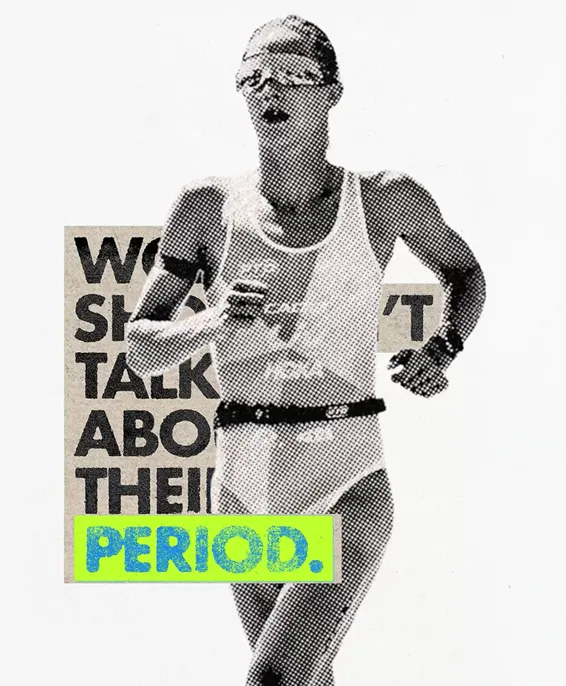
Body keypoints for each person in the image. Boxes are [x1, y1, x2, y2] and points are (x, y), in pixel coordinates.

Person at [126, 15, 486, 686]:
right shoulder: (205, 208)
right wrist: (212, 322)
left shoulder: (383, 199)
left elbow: (464, 272)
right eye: (254, 76)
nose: (271, 89)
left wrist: (444, 344)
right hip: (242, 479)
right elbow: (140, 349)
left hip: (344, 473)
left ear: (332, 92)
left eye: (292, 75)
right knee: (305, 680)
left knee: (274, 679)